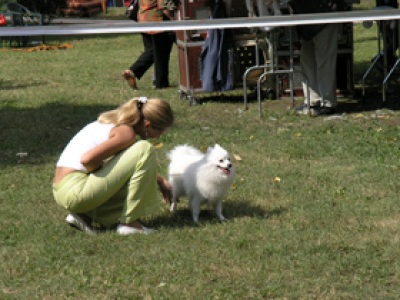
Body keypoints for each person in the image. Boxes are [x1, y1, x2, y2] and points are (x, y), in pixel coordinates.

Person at [52, 97, 174, 235]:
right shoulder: (126, 133)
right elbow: (87, 160)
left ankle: (85, 216)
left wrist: (158, 180)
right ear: (147, 125)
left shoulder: (114, 124)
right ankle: (130, 223)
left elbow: (119, 167)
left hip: (62, 188)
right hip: (75, 191)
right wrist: (101, 172)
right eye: (160, 132)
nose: (158, 137)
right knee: (145, 149)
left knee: (130, 170)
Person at [290, 0, 339, 116]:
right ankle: (312, 100)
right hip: (306, 18)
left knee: (325, 60)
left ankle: (328, 103)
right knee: (307, 60)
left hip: (325, 15)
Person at [123, 0, 177, 89]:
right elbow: (163, 5)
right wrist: (172, 20)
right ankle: (160, 83)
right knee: (160, 53)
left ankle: (133, 72)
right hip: (157, 20)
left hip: (143, 18)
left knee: (151, 51)